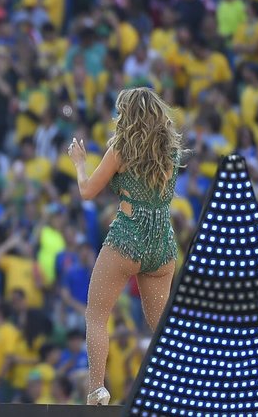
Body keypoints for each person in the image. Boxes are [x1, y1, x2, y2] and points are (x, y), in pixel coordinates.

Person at [67, 87, 183, 406]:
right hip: (161, 241)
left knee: (96, 315)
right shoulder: (170, 151)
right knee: (161, 325)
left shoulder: (122, 148)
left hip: (128, 235)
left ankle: (96, 389)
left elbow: (88, 191)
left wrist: (79, 163)